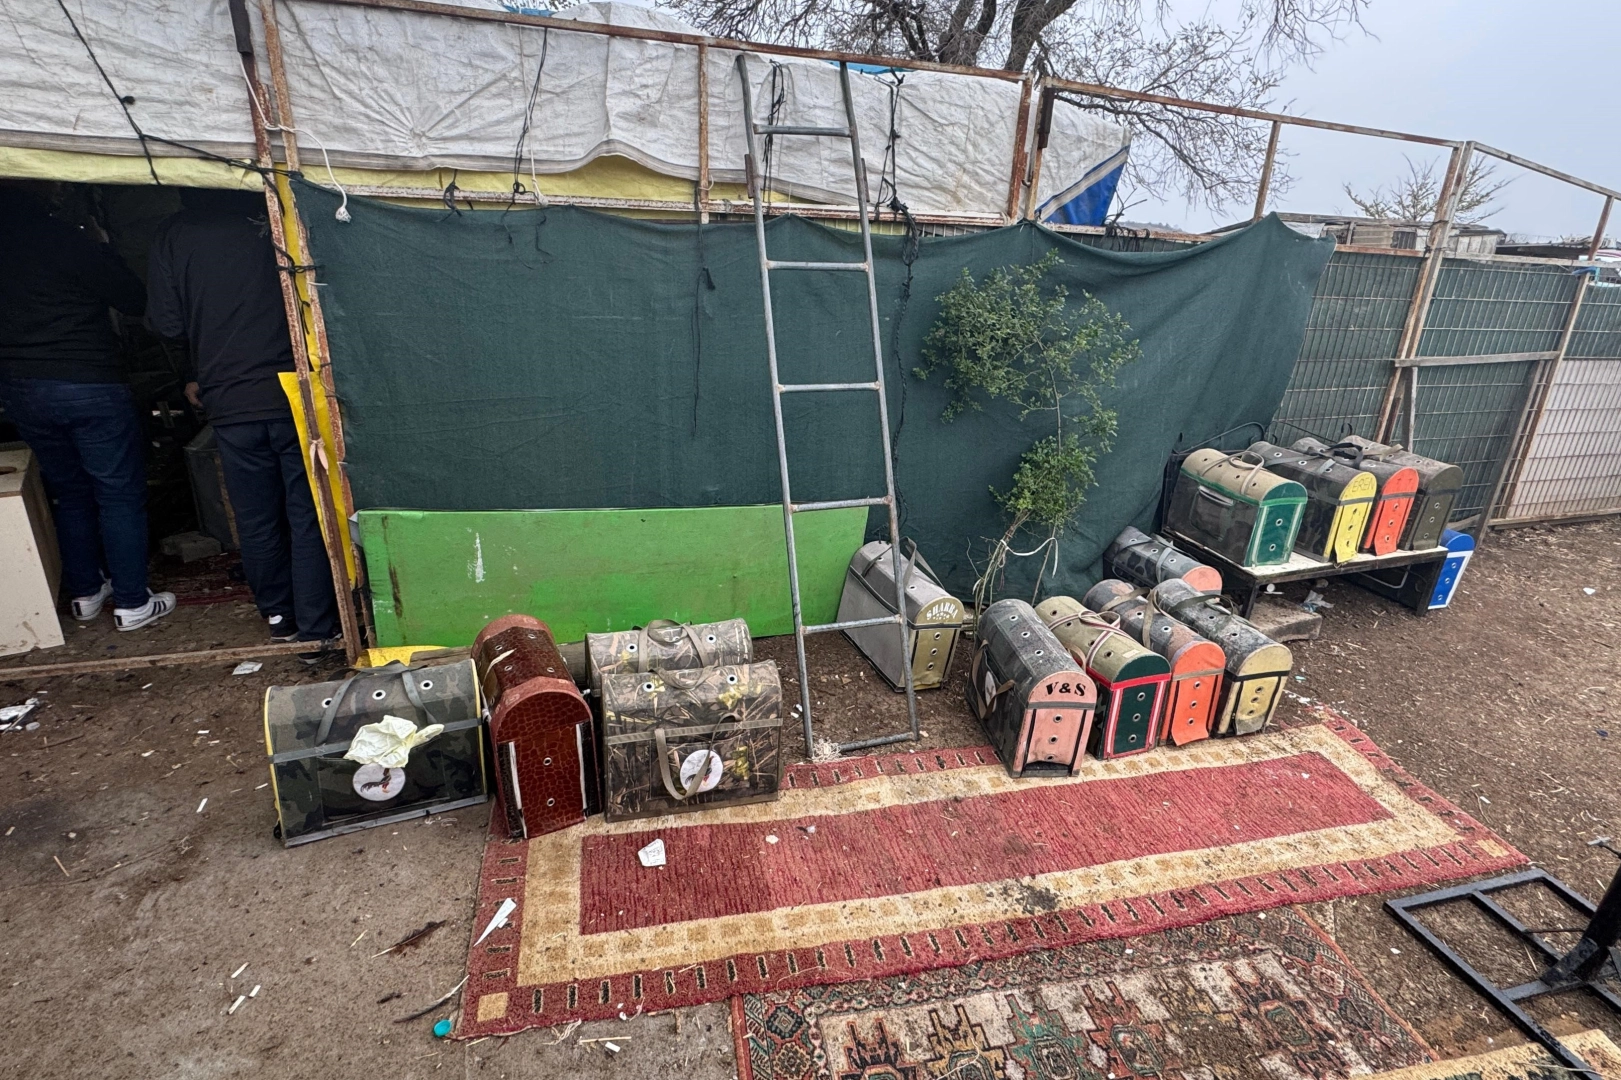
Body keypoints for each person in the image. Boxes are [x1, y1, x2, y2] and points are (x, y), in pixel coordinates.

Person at [146, 188, 338, 646]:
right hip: (293, 393)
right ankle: (317, 626)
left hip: (229, 399)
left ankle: (278, 616)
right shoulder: (279, 219)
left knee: (255, 518)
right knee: (307, 512)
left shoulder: (175, 234)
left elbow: (166, 323)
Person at [0, 185, 176, 631]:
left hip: (23, 388)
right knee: (117, 493)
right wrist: (103, 247)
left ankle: (85, 592)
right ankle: (132, 602)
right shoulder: (67, 240)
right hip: (89, 380)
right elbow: (132, 299)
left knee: (69, 492)